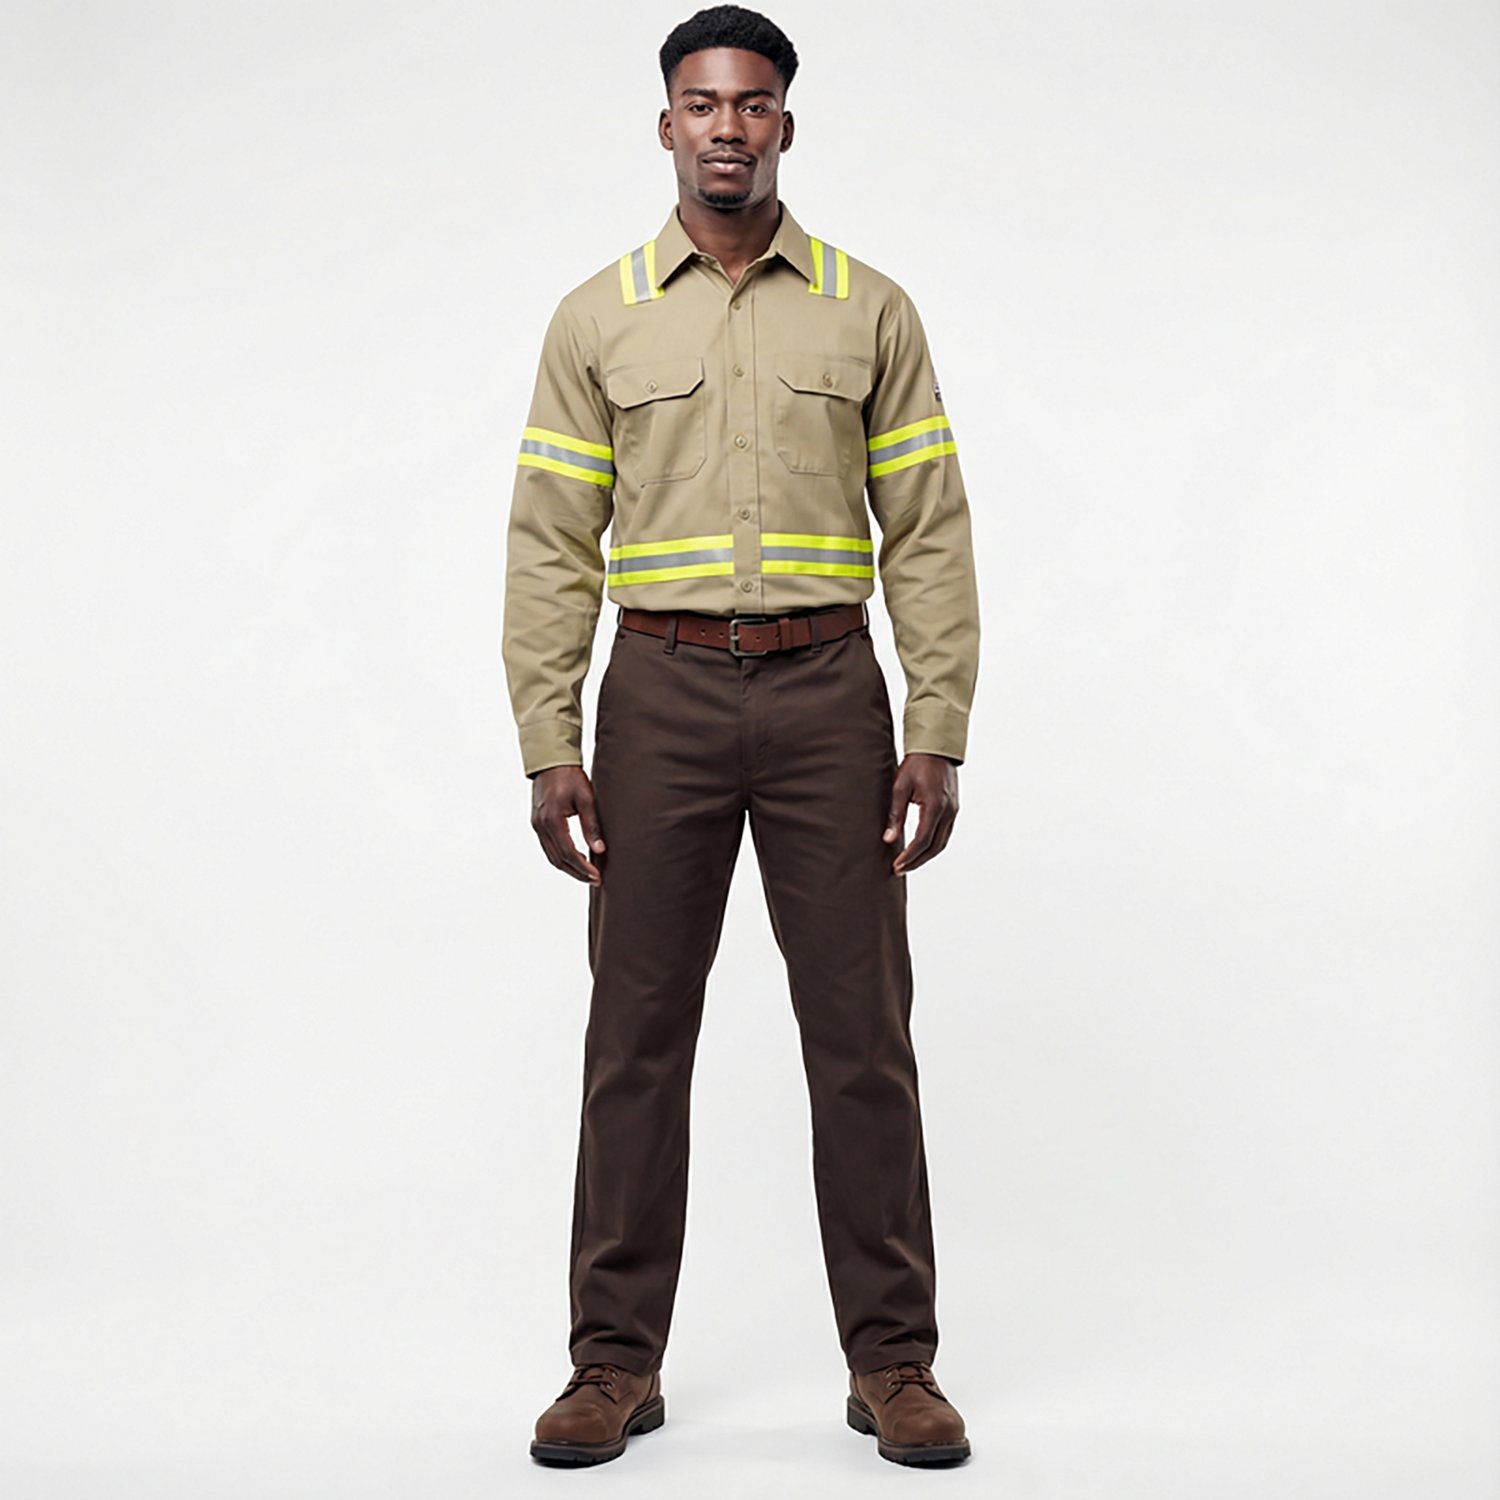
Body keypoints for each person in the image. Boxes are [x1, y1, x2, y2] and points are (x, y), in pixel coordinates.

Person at [502, 3, 980, 1469]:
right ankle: (612, 1364)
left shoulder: (868, 307)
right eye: (703, 104)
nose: (728, 127)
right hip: (657, 701)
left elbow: (929, 528)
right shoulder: (597, 317)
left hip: (833, 697)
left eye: (753, 103)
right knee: (634, 1042)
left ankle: (893, 1363)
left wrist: (937, 723)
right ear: (667, 125)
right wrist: (549, 738)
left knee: (863, 1041)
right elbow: (549, 541)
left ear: (785, 123)